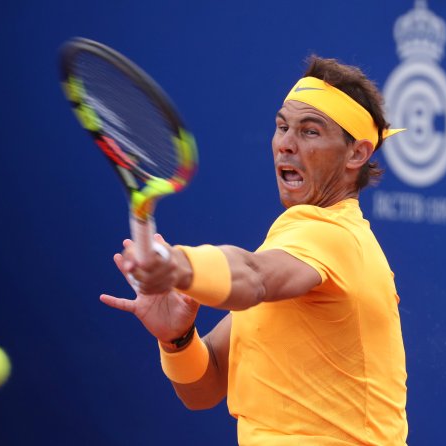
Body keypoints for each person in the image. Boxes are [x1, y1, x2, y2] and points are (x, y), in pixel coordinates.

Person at [100, 54, 408, 445]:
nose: (285, 145)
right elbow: (205, 389)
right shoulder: (298, 250)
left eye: (309, 132)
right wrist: (177, 339)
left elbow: (252, 275)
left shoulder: (331, 235)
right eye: (282, 127)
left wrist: (178, 266)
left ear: (356, 153)